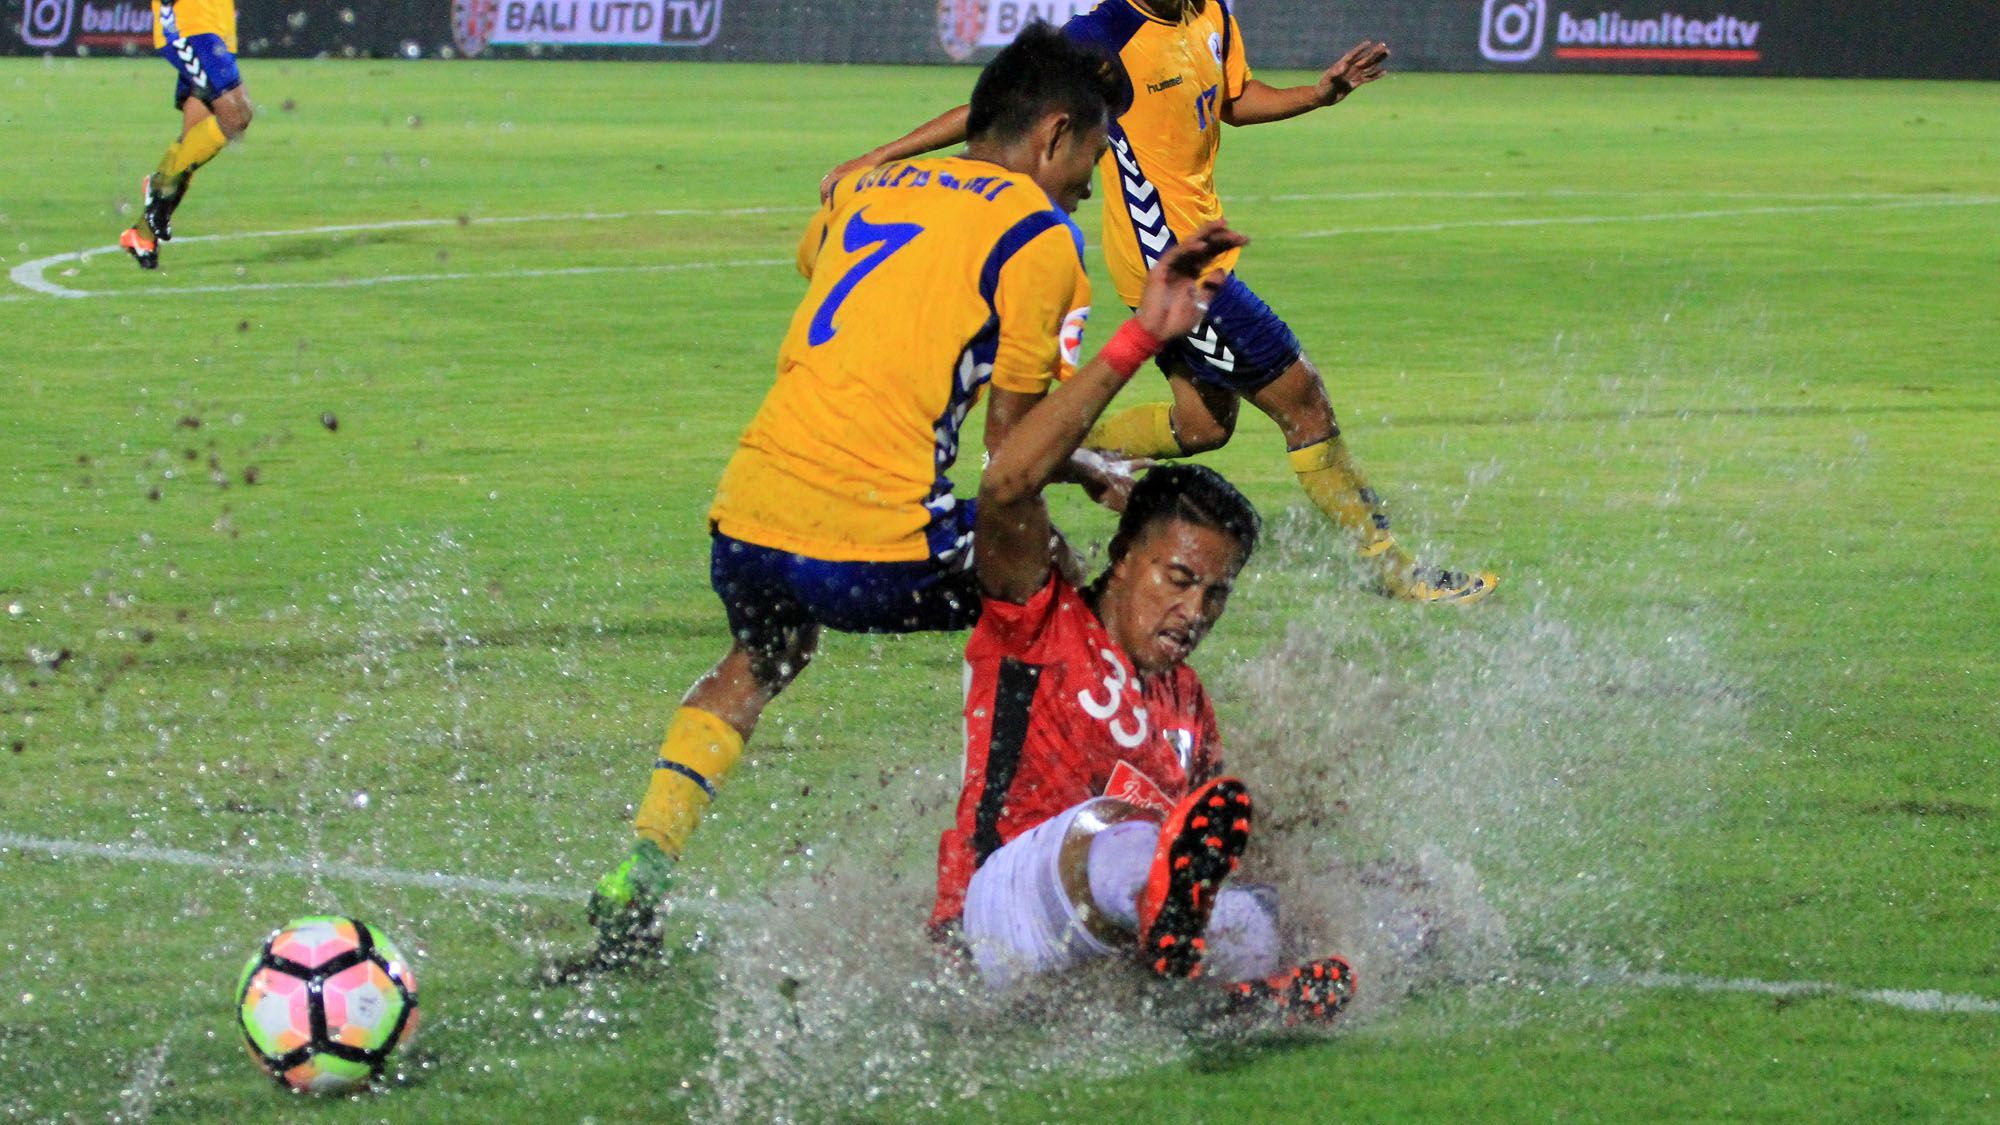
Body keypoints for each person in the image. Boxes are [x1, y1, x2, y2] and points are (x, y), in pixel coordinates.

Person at [585, 25, 1142, 965]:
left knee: (760, 658)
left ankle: (641, 868)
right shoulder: (1042, 235)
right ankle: (1026, 876)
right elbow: (1011, 451)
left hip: (749, 513)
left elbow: (840, 259)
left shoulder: (872, 189)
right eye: (1093, 150)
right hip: (873, 545)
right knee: (1054, 605)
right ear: (1052, 135)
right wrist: (1081, 470)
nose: (1093, 177)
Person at [824, 6, 1496, 605]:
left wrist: (1319, 94)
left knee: (1202, 427)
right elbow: (1009, 111)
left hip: (1203, 251)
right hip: (1171, 268)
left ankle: (1059, 446)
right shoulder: (1104, 34)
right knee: (1304, 399)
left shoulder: (1210, 14)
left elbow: (1234, 98)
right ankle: (1394, 572)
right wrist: (883, 154)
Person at [933, 216, 1353, 1020]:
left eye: (1216, 595)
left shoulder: (1187, 702)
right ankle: (1202, 967)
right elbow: (1007, 483)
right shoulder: (1037, 617)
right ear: (1123, 556)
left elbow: (1218, 846)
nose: (1195, 611)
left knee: (1287, 903)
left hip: (1099, 960)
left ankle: (1236, 992)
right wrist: (1140, 340)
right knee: (1116, 834)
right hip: (995, 925)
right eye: (1180, 578)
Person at [119, 0, 255, 270]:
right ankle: (161, 183)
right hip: (189, 25)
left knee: (193, 141)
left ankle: (141, 235)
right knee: (236, 115)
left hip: (215, 24)